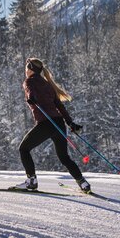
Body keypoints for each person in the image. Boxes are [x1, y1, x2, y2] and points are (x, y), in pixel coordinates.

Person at [17, 57, 91, 192]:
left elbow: (30, 90)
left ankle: (31, 181)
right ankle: (83, 183)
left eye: (27, 68)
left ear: (30, 69)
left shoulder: (29, 81)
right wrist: (70, 122)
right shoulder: (47, 84)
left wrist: (31, 97)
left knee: (24, 149)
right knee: (64, 157)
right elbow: (59, 106)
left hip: (46, 123)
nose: (25, 71)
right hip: (58, 123)